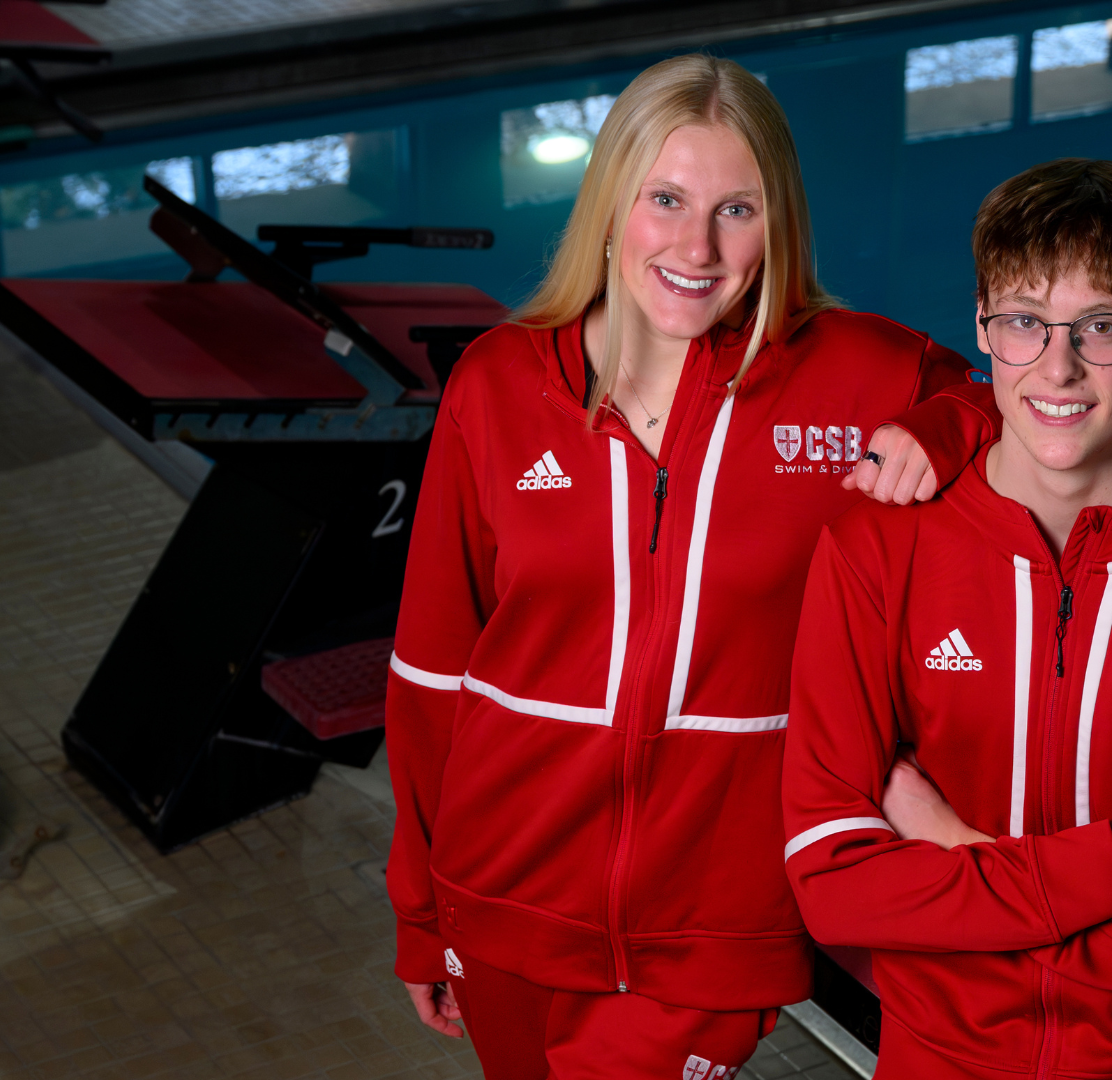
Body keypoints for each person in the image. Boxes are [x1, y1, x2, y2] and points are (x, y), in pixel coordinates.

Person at [385, 54, 997, 1079]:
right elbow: (432, 672)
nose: (697, 246)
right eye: (666, 199)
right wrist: (418, 910)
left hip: (713, 919)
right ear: (612, 205)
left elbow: (987, 395)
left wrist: (942, 429)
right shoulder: (500, 385)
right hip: (503, 889)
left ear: (779, 223)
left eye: (737, 210)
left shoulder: (847, 374)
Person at [782, 158, 1112, 1078]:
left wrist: (956, 861)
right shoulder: (876, 550)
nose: (1059, 367)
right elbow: (833, 887)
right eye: (1026, 323)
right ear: (984, 330)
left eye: (1102, 327)